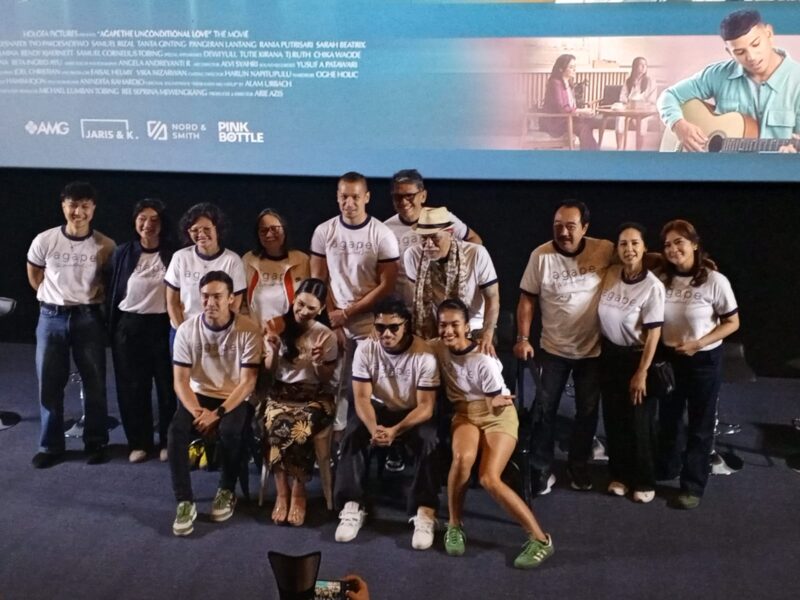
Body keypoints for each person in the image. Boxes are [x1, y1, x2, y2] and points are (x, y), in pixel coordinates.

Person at [433, 299, 553, 569]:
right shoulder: (437, 347)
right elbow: (413, 345)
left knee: (489, 478)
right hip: (465, 414)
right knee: (462, 459)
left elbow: (496, 402)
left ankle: (540, 539)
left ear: (467, 326)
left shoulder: (483, 360)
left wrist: (495, 402)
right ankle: (454, 524)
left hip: (497, 414)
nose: (448, 331)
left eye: (455, 324)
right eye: (443, 325)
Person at [514, 201, 614, 494]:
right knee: (544, 410)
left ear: (585, 228)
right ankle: (541, 467)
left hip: (592, 351)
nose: (564, 232)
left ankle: (578, 464)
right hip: (553, 349)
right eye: (558, 226)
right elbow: (527, 299)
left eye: (571, 226)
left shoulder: (604, 249)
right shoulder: (541, 256)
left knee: (587, 411)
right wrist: (523, 338)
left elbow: (638, 258)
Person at [333, 297, 441, 550]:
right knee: (353, 434)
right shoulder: (366, 349)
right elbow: (361, 398)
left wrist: (395, 430)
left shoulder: (424, 354)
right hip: (378, 410)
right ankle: (352, 504)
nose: (386, 334)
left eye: (394, 327)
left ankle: (424, 510)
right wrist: (375, 430)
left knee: (429, 441)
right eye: (380, 327)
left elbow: (426, 406)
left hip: (411, 411)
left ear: (406, 326)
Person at [26, 181, 116, 468]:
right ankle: (50, 446)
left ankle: (96, 441)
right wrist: (53, 299)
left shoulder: (105, 245)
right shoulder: (45, 240)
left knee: (94, 382)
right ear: (63, 206)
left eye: (85, 206)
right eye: (72, 205)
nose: (78, 212)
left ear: (93, 209)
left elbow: (108, 282)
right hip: (50, 317)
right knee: (49, 383)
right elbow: (34, 275)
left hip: (88, 318)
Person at [168, 271, 261, 536]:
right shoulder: (187, 330)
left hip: (233, 396)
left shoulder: (248, 329)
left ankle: (226, 489)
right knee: (175, 432)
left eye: (217, 296)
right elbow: (180, 381)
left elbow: (248, 383)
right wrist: (199, 413)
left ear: (231, 299)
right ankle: (185, 501)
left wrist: (218, 413)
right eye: (205, 296)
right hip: (199, 397)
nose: (210, 302)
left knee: (230, 430)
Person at [657, 220, 739, 510]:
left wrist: (698, 343)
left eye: (679, 242)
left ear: (694, 244)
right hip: (669, 359)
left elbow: (732, 322)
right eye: (667, 244)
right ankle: (667, 467)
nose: (673, 249)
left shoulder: (715, 281)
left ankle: (692, 485)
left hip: (702, 360)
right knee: (669, 419)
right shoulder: (662, 278)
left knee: (700, 424)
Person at [310, 172, 400, 432]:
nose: (349, 203)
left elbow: (387, 286)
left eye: (355, 197)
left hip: (370, 322)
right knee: (332, 385)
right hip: (335, 320)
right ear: (337, 197)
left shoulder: (381, 234)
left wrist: (348, 313)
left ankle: (361, 440)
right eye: (344, 197)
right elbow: (319, 281)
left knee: (361, 387)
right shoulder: (324, 231)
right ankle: (334, 444)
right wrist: (334, 320)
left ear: (367, 198)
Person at [658, 9, 800, 153]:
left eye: (756, 44)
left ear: (769, 34)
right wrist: (678, 125)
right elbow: (669, 96)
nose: (751, 57)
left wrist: (791, 158)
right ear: (729, 52)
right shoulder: (717, 74)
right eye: (740, 52)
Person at [598, 223, 665, 503]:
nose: (629, 249)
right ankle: (619, 475)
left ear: (644, 248)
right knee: (614, 420)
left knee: (640, 424)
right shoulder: (612, 274)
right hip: (610, 356)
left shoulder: (653, 287)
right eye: (623, 243)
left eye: (635, 243)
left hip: (638, 358)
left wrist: (642, 372)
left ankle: (644, 479)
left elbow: (654, 334)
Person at [263, 278, 338, 527]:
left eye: (312, 308)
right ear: (294, 299)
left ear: (321, 309)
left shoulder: (325, 335)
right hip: (281, 392)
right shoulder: (277, 325)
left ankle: (298, 491)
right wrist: (274, 350)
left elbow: (326, 378)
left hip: (314, 395)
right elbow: (270, 370)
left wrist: (318, 362)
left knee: (300, 427)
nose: (304, 311)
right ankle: (281, 491)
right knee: (274, 422)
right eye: (301, 304)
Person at [107, 198, 176, 463]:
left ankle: (168, 441)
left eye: (154, 220)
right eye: (142, 219)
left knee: (168, 387)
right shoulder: (122, 252)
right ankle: (139, 442)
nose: (148, 225)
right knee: (132, 388)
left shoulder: (174, 253)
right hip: (129, 326)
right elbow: (111, 288)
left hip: (163, 326)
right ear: (135, 222)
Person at [404, 207, 500, 356]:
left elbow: (492, 297)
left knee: (482, 357)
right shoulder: (412, 255)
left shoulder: (476, 254)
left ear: (450, 232)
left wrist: (487, 334)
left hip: (474, 327)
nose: (429, 244)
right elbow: (416, 301)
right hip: (436, 328)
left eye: (434, 238)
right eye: (424, 238)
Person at [383, 169, 481, 305]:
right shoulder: (385, 229)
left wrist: (462, 273)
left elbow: (474, 240)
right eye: (397, 197)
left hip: (442, 305)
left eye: (410, 196)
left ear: (423, 196)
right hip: (406, 306)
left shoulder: (442, 218)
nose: (404, 202)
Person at [164, 202, 247, 345]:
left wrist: (221, 332)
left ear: (217, 229)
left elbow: (235, 305)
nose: (201, 234)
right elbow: (172, 302)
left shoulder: (232, 260)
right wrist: (183, 333)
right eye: (195, 230)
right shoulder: (180, 257)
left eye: (207, 229)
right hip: (184, 333)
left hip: (220, 335)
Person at [242, 208, 310, 330]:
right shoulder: (248, 260)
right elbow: (240, 302)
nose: (269, 234)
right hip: (257, 333)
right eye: (263, 230)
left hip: (293, 333)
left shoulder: (302, 260)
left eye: (274, 229)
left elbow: (310, 300)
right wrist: (249, 327)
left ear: (284, 229)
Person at [541, 54, 599, 151]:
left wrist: (582, 113)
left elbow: (571, 105)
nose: (574, 70)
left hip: (568, 118)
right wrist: (581, 111)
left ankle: (592, 152)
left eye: (575, 67)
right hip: (556, 121)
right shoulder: (555, 83)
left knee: (591, 122)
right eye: (571, 67)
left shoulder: (569, 83)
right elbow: (561, 108)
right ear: (561, 69)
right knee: (583, 127)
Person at [615, 57, 658, 151]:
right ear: (635, 66)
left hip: (645, 111)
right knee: (620, 118)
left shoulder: (650, 81)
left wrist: (641, 104)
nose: (643, 67)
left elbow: (652, 100)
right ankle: (619, 148)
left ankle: (638, 150)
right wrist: (629, 101)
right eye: (641, 65)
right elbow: (622, 97)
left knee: (642, 121)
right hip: (629, 110)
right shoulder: (628, 81)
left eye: (645, 65)